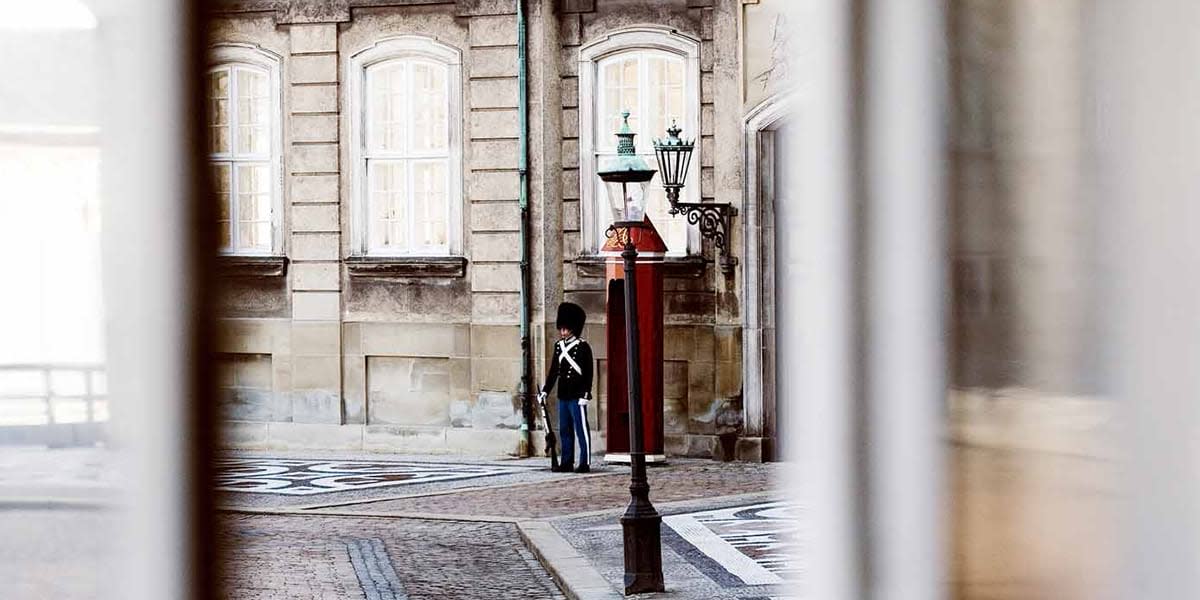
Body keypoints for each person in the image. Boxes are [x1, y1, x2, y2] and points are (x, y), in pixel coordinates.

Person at [537, 302, 594, 473]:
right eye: (561, 329)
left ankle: (585, 462)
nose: (563, 332)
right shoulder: (558, 346)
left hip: (578, 395)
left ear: (573, 328)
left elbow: (588, 372)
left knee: (581, 430)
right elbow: (554, 371)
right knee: (564, 430)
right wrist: (546, 391)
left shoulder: (583, 346)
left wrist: (586, 393)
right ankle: (567, 461)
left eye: (566, 329)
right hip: (564, 394)